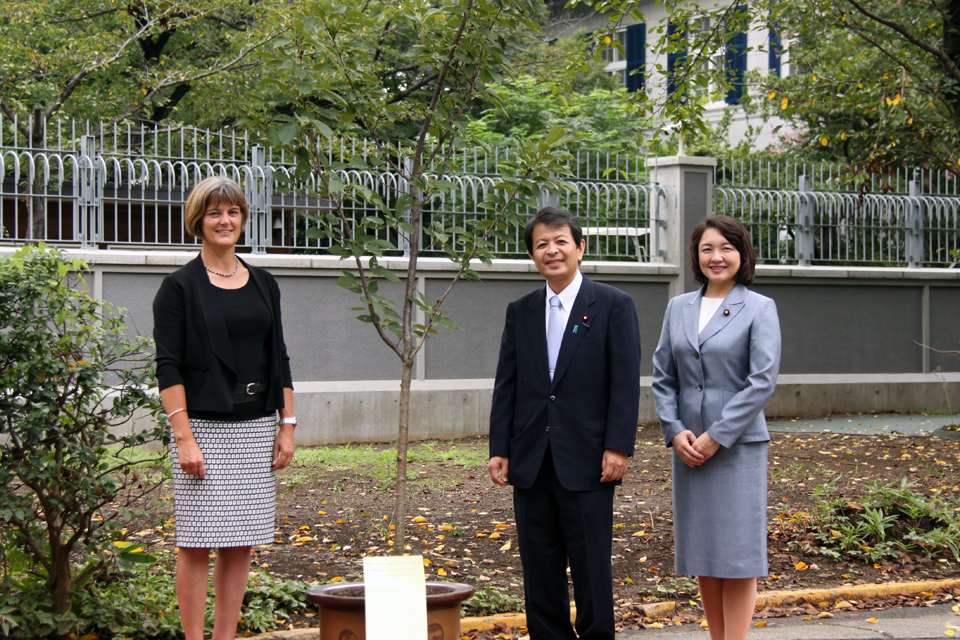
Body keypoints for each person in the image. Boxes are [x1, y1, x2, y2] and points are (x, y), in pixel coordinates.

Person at [153, 176, 297, 640]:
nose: (224, 220)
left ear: (242, 219)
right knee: (196, 544)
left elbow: (280, 356)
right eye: (215, 212)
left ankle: (225, 637)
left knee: (240, 544)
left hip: (254, 428)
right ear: (199, 220)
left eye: (232, 212)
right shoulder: (179, 287)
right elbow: (168, 367)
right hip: (204, 430)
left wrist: (287, 424)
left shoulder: (264, 282)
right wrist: (184, 438)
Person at [487, 207, 641, 640]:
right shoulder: (522, 310)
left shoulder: (613, 305)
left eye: (560, 242)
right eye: (541, 244)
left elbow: (625, 383)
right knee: (539, 566)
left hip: (590, 458)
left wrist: (618, 446)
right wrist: (501, 447)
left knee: (591, 565)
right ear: (533, 255)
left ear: (580, 248)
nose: (552, 251)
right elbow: (508, 384)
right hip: (532, 459)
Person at [652, 215, 781, 640]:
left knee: (738, 555)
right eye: (707, 249)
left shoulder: (760, 308)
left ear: (741, 254)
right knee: (705, 553)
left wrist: (716, 436)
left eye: (726, 248)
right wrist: (675, 431)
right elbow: (663, 376)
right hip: (688, 447)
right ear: (696, 256)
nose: (716, 257)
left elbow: (761, 381)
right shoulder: (678, 307)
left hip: (737, 447)